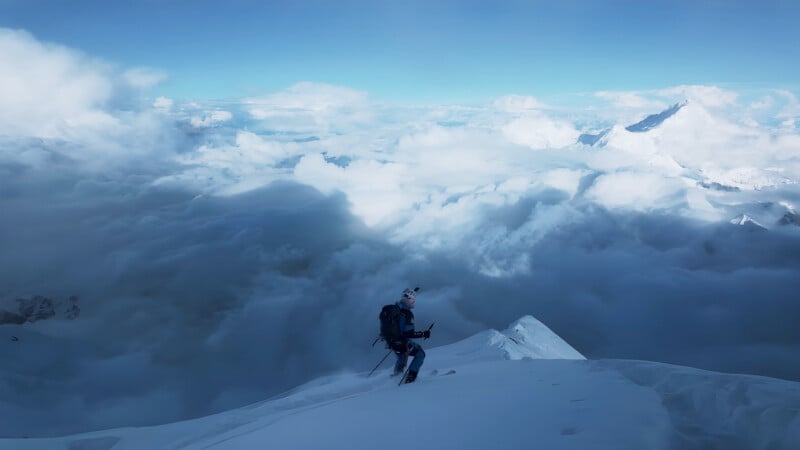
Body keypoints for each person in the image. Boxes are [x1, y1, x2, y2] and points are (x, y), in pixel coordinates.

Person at [390, 288, 430, 384]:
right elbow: (408, 333)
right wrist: (423, 334)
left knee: (402, 356)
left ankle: (395, 378)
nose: (413, 301)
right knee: (420, 354)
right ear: (407, 299)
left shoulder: (394, 309)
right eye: (412, 299)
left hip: (391, 341)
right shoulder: (407, 314)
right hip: (402, 342)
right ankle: (410, 378)